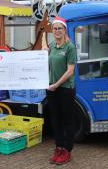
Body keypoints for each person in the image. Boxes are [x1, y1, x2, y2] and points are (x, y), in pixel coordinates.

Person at [46, 17, 76, 165]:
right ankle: (58, 147)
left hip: (65, 89)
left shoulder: (70, 47)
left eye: (60, 28)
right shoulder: (51, 46)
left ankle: (67, 150)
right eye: (55, 28)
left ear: (64, 30)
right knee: (56, 120)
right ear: (52, 31)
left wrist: (56, 84)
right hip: (51, 88)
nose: (57, 31)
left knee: (67, 121)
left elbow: (70, 71)